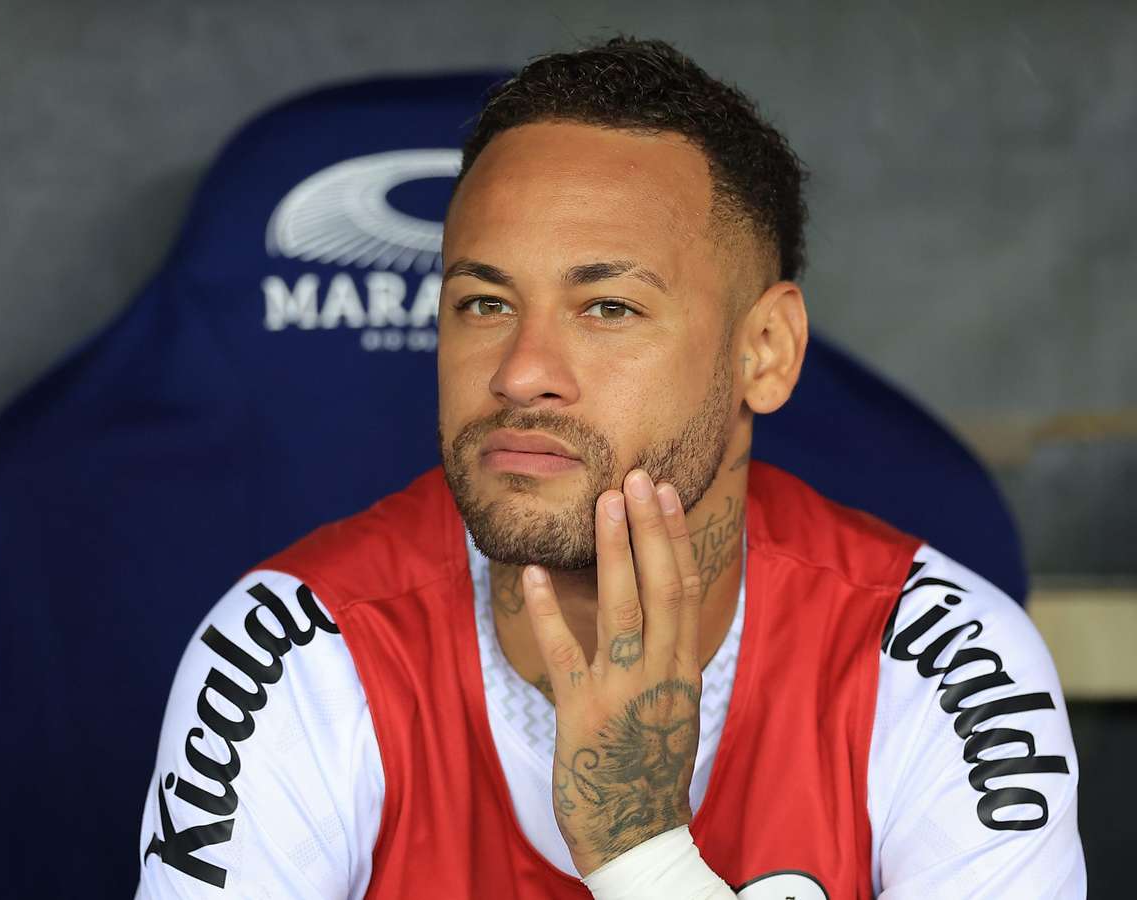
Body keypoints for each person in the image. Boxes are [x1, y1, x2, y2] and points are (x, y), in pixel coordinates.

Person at [135, 37, 1085, 899]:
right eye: (483, 304)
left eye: (609, 309)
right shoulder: (295, 650)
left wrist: (640, 849)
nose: (520, 374)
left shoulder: (944, 663)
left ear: (764, 351)